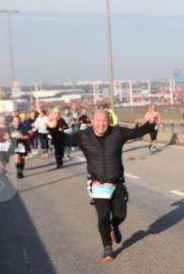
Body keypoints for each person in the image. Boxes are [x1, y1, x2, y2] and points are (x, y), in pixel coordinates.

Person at [50, 105, 159, 261]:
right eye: (98, 121)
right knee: (103, 217)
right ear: (92, 121)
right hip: (98, 183)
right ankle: (107, 247)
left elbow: (137, 132)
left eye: (104, 121)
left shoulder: (118, 132)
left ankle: (114, 225)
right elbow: (63, 140)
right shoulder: (83, 136)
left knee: (121, 215)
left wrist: (150, 123)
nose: (101, 124)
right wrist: (53, 129)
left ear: (109, 121)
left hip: (117, 182)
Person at [11, 115, 30, 179]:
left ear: (19, 121)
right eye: (15, 120)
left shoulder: (22, 127)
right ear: (12, 121)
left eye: (17, 120)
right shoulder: (10, 128)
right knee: (17, 159)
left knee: (21, 159)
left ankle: (21, 171)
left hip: (21, 145)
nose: (16, 122)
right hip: (13, 145)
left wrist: (21, 137)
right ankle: (19, 172)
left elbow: (27, 136)